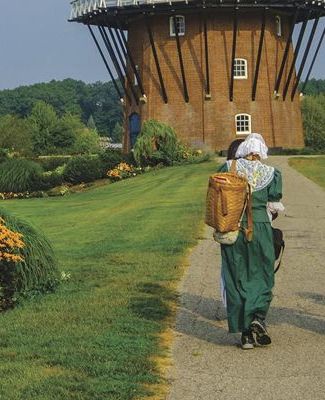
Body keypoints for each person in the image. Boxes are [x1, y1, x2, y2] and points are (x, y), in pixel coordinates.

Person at [216, 133, 282, 349]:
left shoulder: (228, 168)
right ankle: (257, 318)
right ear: (261, 152)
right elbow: (274, 206)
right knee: (262, 275)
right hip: (260, 228)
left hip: (234, 227)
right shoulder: (272, 174)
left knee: (237, 276)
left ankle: (245, 334)